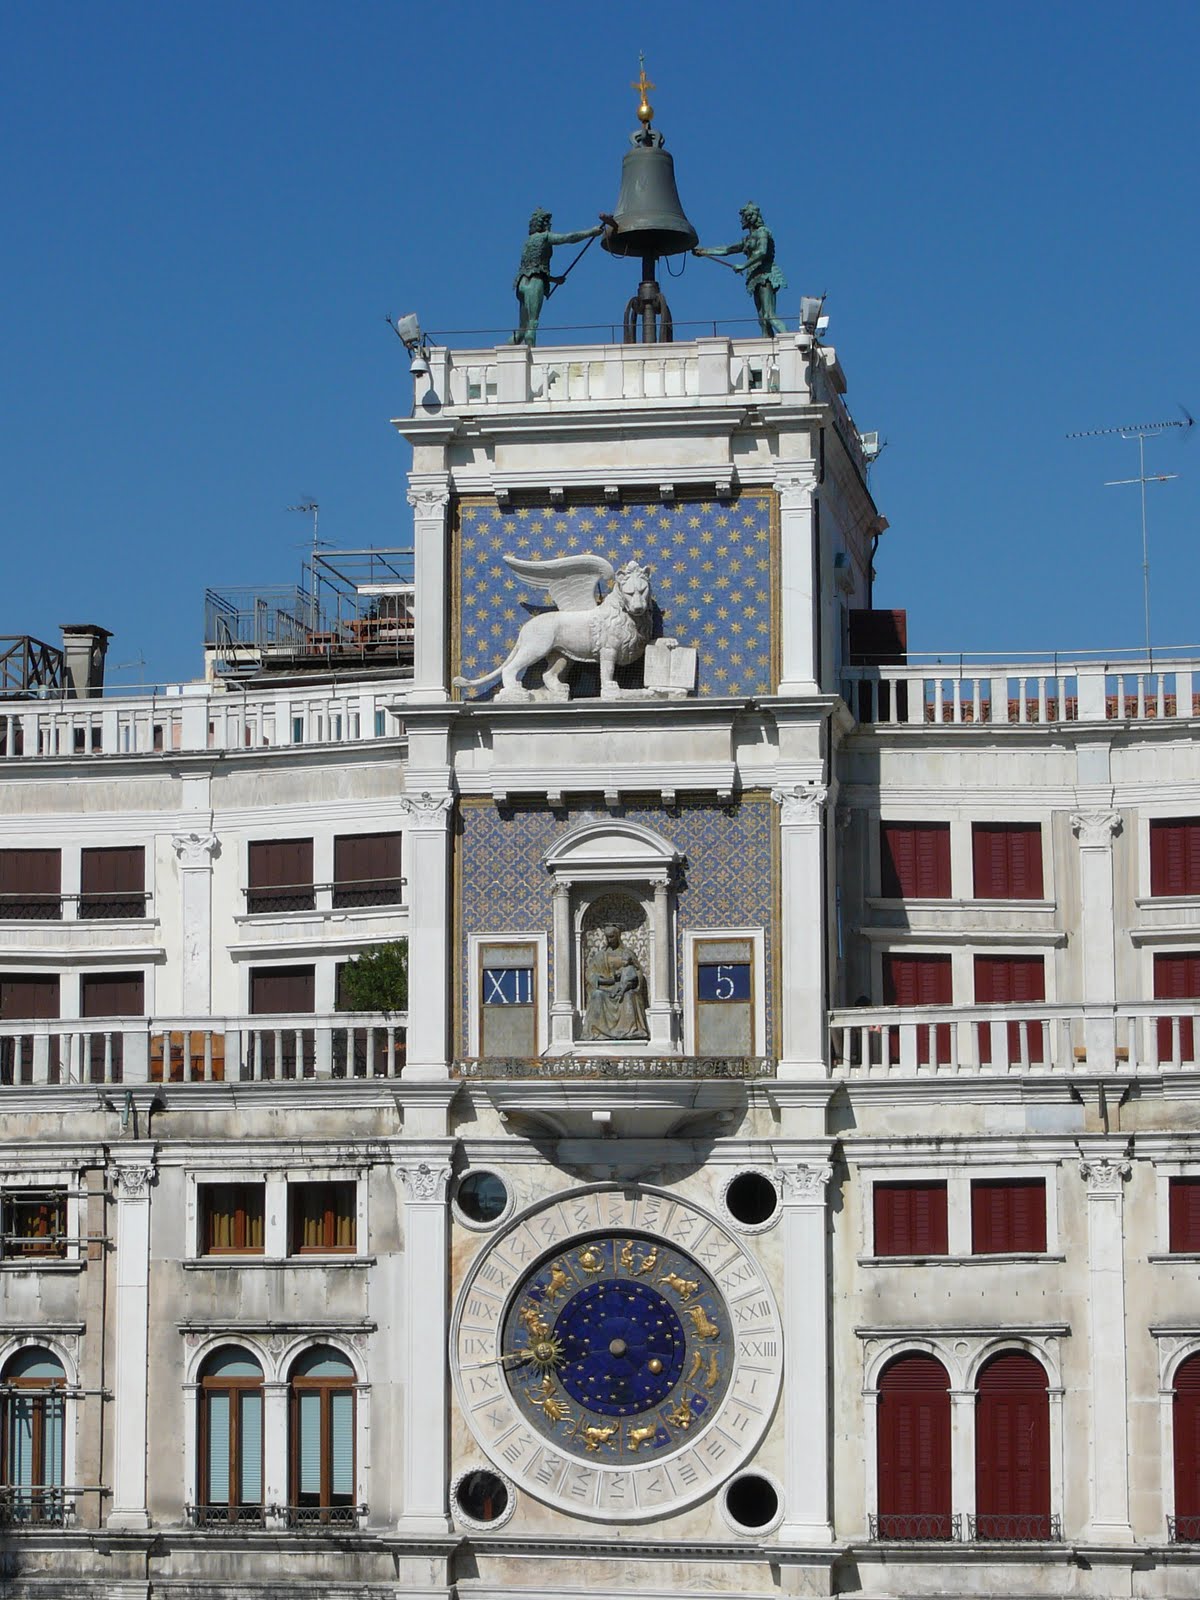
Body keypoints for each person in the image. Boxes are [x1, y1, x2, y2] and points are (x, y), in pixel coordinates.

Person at [513, 209, 607, 347]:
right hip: (535, 282)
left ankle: (503, 355)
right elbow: (569, 238)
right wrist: (591, 232)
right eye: (548, 222)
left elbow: (533, 267)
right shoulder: (545, 237)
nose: (550, 225)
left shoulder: (528, 242)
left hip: (521, 283)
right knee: (532, 324)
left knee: (521, 330)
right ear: (544, 224)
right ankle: (531, 357)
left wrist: (554, 280)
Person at [693, 203, 788, 337]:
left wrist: (743, 265)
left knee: (769, 316)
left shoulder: (763, 232)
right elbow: (727, 249)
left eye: (743, 217)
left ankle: (792, 342)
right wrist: (704, 251)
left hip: (766, 275)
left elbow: (761, 252)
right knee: (762, 318)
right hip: (755, 277)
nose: (741, 220)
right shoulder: (748, 239)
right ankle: (767, 345)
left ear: (749, 218)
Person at [582, 924, 649, 1041]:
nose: (609, 939)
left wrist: (628, 980)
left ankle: (630, 1030)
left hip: (624, 987)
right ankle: (598, 1031)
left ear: (618, 936)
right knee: (596, 994)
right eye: (607, 937)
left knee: (629, 996)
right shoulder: (601, 955)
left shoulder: (627, 953)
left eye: (612, 936)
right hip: (605, 988)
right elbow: (590, 974)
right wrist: (607, 980)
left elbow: (638, 972)